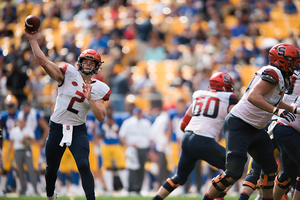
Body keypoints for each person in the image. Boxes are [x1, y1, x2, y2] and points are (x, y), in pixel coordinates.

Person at [201, 43, 300, 200]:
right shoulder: (273, 73)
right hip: (240, 124)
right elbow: (254, 97)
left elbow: (273, 100)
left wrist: (293, 109)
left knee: (269, 170)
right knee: (233, 173)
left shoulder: (280, 75)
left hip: (256, 128)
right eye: (292, 60)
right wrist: (277, 111)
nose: (295, 63)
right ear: (282, 60)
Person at [25, 28, 111, 200]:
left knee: (83, 165)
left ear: (96, 67)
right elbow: (44, 62)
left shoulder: (99, 88)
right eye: (85, 62)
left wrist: (90, 99)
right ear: (80, 63)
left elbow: (101, 117)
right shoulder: (67, 73)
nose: (87, 65)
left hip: (78, 129)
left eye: (91, 63)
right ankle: (50, 196)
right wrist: (33, 40)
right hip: (57, 127)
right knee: (51, 169)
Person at [152, 72, 239, 200]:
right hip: (204, 139)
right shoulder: (229, 97)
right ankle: (215, 197)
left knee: (179, 177)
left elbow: (183, 124)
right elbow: (237, 120)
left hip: (187, 138)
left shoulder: (199, 95)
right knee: (233, 168)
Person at [238, 72, 300, 200]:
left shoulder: (274, 73)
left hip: (272, 119)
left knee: (268, 169)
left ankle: (262, 195)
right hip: (284, 120)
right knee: (265, 168)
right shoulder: (277, 73)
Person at [119, 107, 154, 195]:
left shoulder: (146, 123)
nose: (138, 115)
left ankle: (138, 188)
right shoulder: (128, 122)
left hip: (143, 148)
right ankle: (130, 188)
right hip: (132, 149)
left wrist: (151, 151)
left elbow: (150, 138)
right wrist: (128, 146)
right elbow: (122, 136)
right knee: (131, 169)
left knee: (141, 169)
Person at [7, 116, 39, 196]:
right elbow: (11, 143)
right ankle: (23, 190)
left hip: (27, 151)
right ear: (18, 122)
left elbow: (33, 141)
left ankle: (35, 189)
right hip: (17, 152)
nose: (21, 123)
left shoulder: (28, 130)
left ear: (25, 122)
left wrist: (24, 141)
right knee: (20, 171)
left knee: (31, 170)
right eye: (20, 122)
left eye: (23, 122)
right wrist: (8, 154)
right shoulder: (14, 131)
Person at [0, 94, 20, 195]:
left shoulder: (19, 114)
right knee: (5, 166)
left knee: (17, 166)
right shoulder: (3, 115)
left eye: (12, 105)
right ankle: (2, 188)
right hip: (7, 142)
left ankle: (19, 188)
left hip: (17, 141)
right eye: (9, 105)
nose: (10, 107)